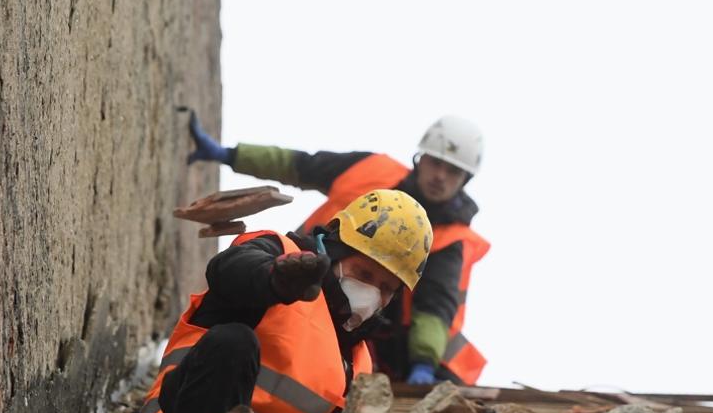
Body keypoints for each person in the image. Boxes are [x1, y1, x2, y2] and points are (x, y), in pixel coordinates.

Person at [183, 112, 488, 386]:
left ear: (465, 180)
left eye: (453, 171)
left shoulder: (450, 240)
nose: (440, 177)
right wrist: (230, 155)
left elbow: (435, 308)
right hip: (298, 276)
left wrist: (423, 361)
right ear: (420, 159)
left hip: (369, 328)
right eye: (436, 163)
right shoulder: (370, 170)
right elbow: (299, 165)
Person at [130, 189, 432, 413]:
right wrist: (274, 280)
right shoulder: (280, 253)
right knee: (233, 343)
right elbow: (229, 270)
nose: (372, 294)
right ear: (334, 250)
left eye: (386, 288)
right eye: (364, 273)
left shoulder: (358, 362)